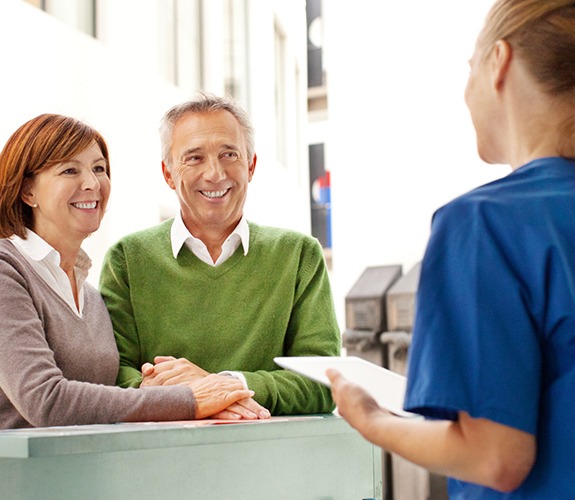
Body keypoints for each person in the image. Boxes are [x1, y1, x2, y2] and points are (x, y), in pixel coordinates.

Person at [327, 0, 575, 497]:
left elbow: (494, 456)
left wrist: (372, 419)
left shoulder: (484, 223)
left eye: (469, 68)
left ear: (498, 62)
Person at [0, 113, 259, 429]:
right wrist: (192, 400)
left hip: (87, 474)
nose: (92, 184)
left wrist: (155, 386)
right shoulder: (6, 271)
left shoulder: (90, 297)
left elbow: (104, 399)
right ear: (28, 192)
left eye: (99, 169)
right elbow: (47, 400)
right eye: (70, 170)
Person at [99, 93, 341, 417]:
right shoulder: (127, 260)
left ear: (251, 165)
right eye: (194, 158)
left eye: (229, 154)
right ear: (168, 173)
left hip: (272, 460)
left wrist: (224, 384)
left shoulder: (299, 256)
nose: (215, 173)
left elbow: (323, 382)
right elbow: (115, 378)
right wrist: (197, 398)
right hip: (161, 461)